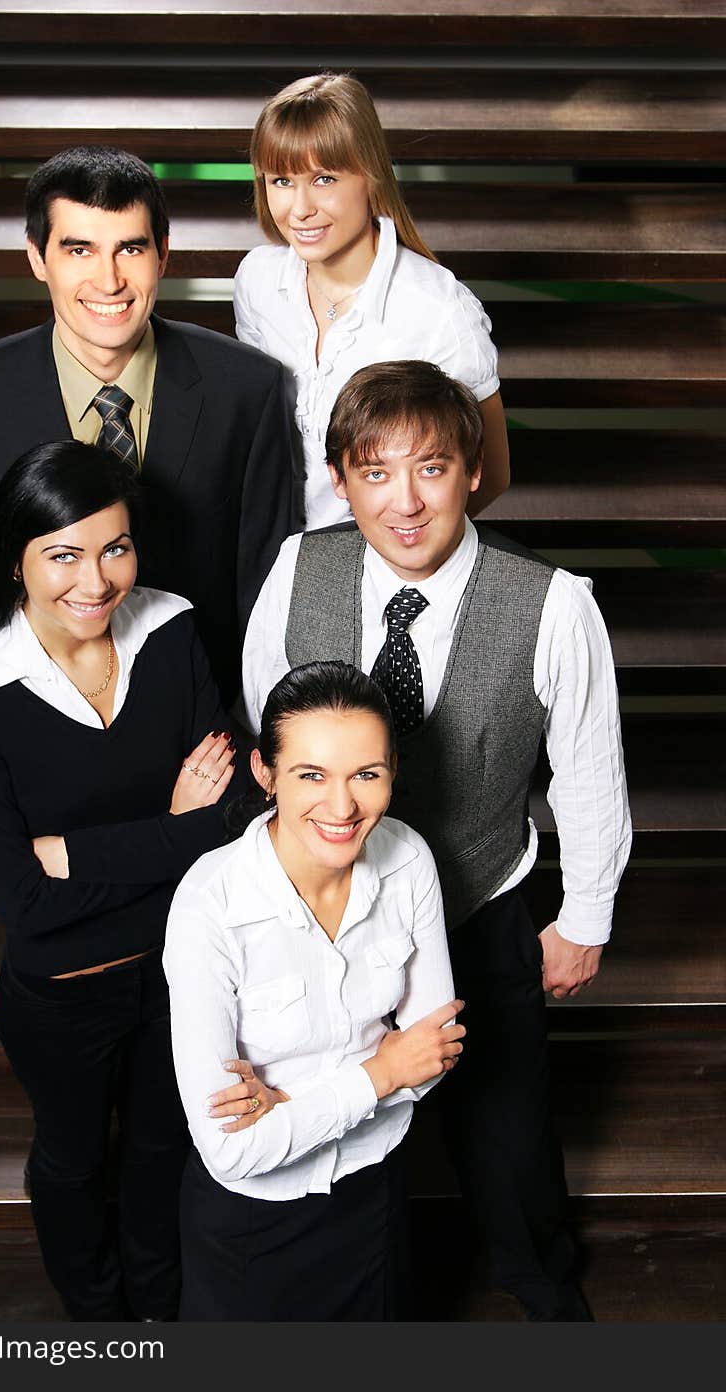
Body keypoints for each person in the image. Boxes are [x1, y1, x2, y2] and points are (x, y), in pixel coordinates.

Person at [243, 360, 632, 1322]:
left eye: (431, 469)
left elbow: (588, 770)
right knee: (340, 1114)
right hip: (331, 911)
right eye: (376, 473)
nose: (405, 502)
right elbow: (269, 719)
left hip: (481, 900)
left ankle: (539, 1280)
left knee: (506, 1124)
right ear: (342, 478)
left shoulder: (553, 602)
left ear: (470, 472)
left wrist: (582, 918)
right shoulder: (302, 566)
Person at [0, 439, 239, 1322]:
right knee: (73, 1162)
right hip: (64, 997)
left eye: (115, 547)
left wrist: (78, 850)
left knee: (160, 1150)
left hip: (181, 970)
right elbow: (24, 904)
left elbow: (226, 822)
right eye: (63, 555)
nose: (96, 581)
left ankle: (156, 1309)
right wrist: (174, 831)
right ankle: (95, 1319)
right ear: (18, 563)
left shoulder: (171, 627)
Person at [0, 145, 298, 701]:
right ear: (37, 256)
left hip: (210, 735)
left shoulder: (247, 390)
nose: (109, 280)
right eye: (79, 249)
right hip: (41, 732)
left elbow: (269, 603)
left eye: (130, 248)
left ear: (163, 254)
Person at [163, 660, 464, 1320]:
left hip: (373, 1189)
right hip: (251, 1226)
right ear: (265, 774)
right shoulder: (208, 904)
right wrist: (380, 1072)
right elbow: (233, 1149)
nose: (342, 806)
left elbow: (434, 1059)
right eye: (311, 775)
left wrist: (287, 1102)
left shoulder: (408, 857)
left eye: (367, 774)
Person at [233, 71, 509, 531]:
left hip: (374, 567)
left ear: (370, 174)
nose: (299, 208)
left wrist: (396, 545)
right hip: (268, 559)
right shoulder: (258, 280)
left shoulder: (441, 311)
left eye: (323, 179)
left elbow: (491, 474)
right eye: (281, 180)